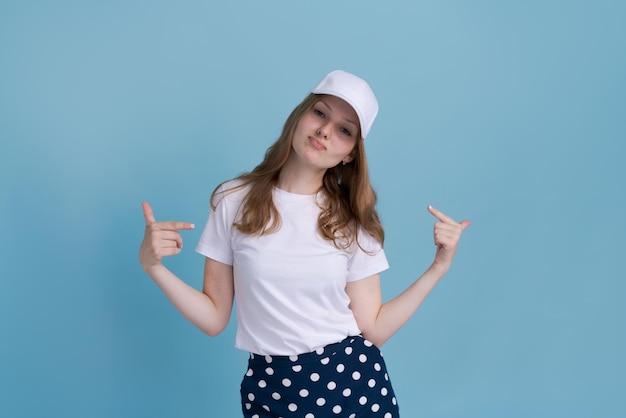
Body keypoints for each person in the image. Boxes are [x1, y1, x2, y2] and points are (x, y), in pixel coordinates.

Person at [138, 70, 470, 417]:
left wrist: (437, 269)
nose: (326, 130)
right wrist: (153, 267)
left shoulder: (353, 220)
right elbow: (214, 318)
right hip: (269, 388)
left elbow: (373, 327)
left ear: (350, 154)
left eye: (344, 130)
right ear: (300, 116)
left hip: (351, 384)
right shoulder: (233, 200)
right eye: (320, 113)